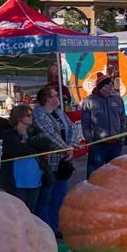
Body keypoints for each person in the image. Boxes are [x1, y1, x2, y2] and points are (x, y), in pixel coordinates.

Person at [0, 104, 58, 212]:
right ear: (19, 117)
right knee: (19, 211)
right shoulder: (8, 134)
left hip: (35, 180)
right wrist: (35, 146)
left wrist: (27, 143)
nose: (32, 117)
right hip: (16, 182)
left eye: (32, 115)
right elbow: (19, 150)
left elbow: (48, 144)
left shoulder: (35, 131)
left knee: (31, 209)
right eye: (28, 115)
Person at [32, 86, 74, 234]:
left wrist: (70, 146)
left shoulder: (59, 112)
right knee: (45, 198)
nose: (59, 97)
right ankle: (45, 230)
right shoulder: (39, 114)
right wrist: (66, 148)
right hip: (48, 164)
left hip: (63, 162)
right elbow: (49, 134)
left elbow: (72, 127)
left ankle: (55, 228)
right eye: (55, 95)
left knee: (59, 197)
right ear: (47, 99)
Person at [81, 76, 126, 176]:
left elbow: (123, 119)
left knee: (115, 173)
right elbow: (85, 124)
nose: (111, 86)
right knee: (95, 174)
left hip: (115, 145)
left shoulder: (118, 99)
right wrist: (91, 141)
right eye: (108, 84)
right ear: (101, 87)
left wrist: (122, 138)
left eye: (111, 84)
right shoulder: (89, 101)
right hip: (98, 145)